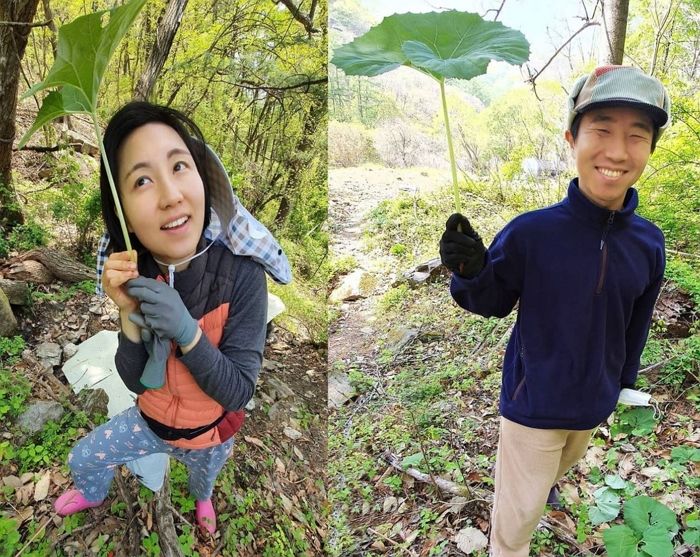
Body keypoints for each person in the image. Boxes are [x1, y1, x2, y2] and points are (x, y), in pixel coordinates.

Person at [439, 65, 670, 556]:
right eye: (602, 130)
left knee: (551, 476)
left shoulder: (649, 244)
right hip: (535, 405)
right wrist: (471, 270)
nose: (616, 151)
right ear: (572, 138)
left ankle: (540, 486)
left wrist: (622, 382)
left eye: (636, 135)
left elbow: (638, 321)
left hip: (593, 404)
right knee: (517, 523)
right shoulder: (532, 233)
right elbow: (490, 301)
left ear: (649, 148)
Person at [53, 102, 276, 534]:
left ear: (204, 178)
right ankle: (94, 492)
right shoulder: (137, 273)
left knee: (203, 480)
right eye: (141, 180)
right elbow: (137, 382)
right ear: (125, 215)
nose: (170, 195)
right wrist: (128, 314)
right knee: (83, 456)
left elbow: (238, 391)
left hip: (210, 434)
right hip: (149, 422)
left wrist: (189, 333)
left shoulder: (243, 275)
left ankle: (202, 499)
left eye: (179, 166)